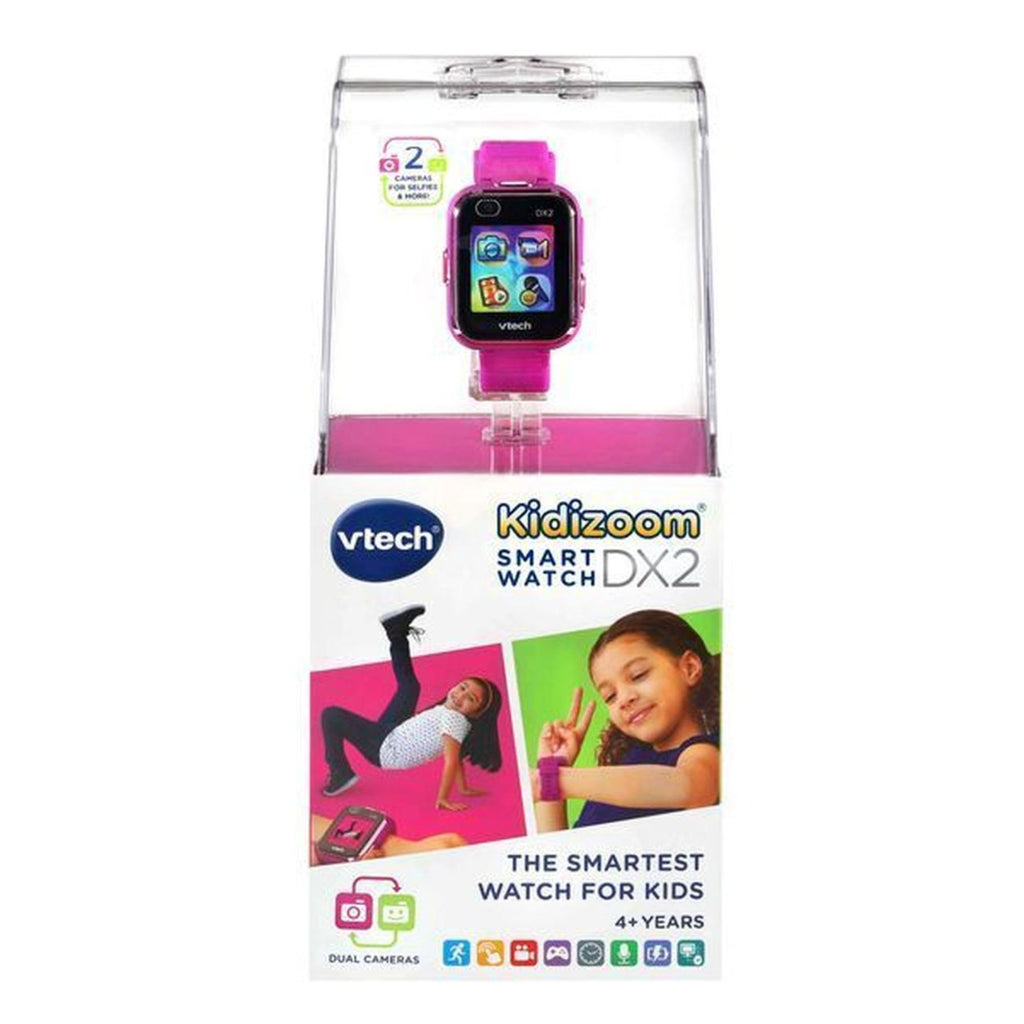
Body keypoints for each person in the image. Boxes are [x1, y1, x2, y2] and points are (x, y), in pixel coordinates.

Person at [532, 609, 720, 831]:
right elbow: (555, 848)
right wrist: (551, 769)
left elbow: (689, 788)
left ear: (689, 668)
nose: (623, 700)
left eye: (638, 675)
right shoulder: (625, 766)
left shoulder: (705, 754)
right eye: (610, 696)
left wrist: (552, 780)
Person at [320, 605, 503, 811]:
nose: (460, 695)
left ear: (475, 712)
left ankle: (340, 772)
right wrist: (463, 788)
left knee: (331, 715)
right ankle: (396, 631)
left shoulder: (454, 719)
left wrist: (443, 798)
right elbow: (458, 757)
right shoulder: (454, 718)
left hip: (386, 749)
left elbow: (451, 761)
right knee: (410, 686)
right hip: (394, 732)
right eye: (462, 687)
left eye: (470, 698)